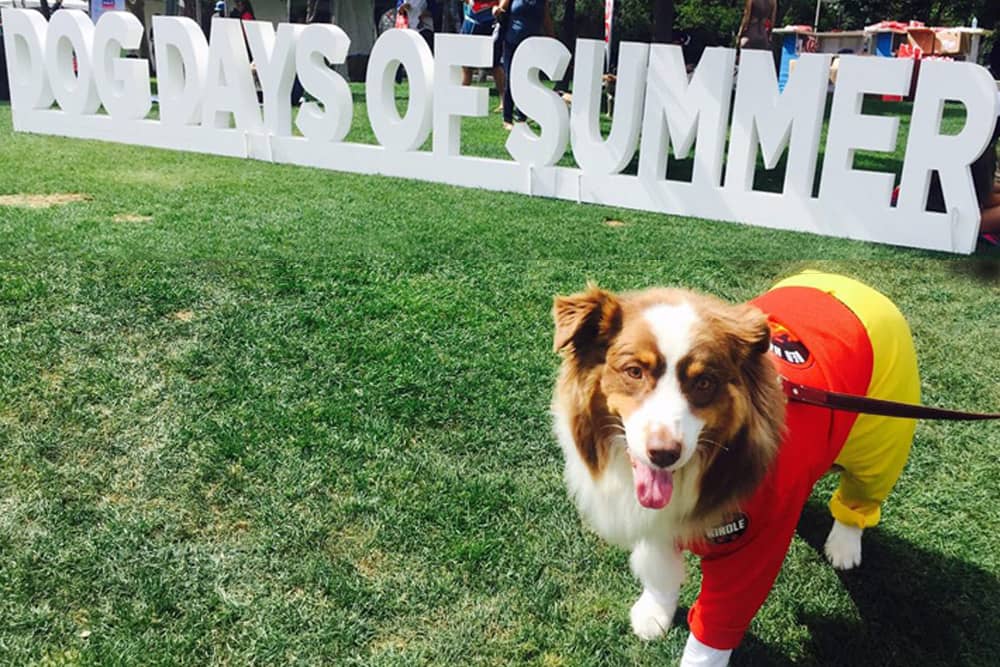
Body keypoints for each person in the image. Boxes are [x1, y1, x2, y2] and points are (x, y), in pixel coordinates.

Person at [494, 0, 552, 130]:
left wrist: (551, 38)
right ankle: (507, 118)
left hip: (532, 45)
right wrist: (497, 10)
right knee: (511, 78)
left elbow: (546, 18)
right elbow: (501, 8)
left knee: (527, 80)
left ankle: (522, 117)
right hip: (512, 42)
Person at [460, 2, 505, 110]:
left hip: (489, 22)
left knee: (494, 65)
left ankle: (504, 101)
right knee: (466, 66)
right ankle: (462, 98)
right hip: (471, 21)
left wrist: (499, 7)